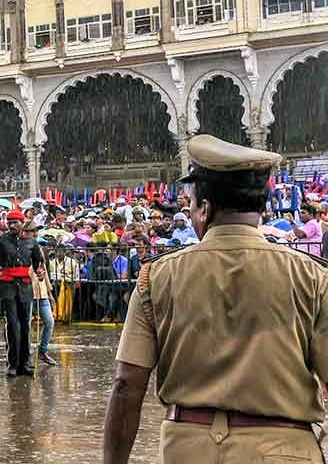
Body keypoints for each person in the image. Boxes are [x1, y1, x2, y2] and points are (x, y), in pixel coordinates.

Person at [104, 134, 328, 464]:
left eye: (191, 205)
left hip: (189, 451)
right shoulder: (312, 276)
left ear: (205, 209)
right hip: (285, 450)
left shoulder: (157, 277)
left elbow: (126, 385)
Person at [0, 208, 44, 376]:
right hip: (7, 286)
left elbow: (39, 263)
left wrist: (40, 272)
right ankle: (13, 363)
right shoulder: (1, 240)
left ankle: (26, 362)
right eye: (9, 222)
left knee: (25, 325)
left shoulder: (32, 242)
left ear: (22, 223)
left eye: (15, 222)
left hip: (25, 287)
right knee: (12, 326)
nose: (12, 225)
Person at [30, 254, 57, 365]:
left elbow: (45, 278)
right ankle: (26, 352)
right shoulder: (27, 262)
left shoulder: (42, 263)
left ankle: (43, 351)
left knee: (49, 322)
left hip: (43, 295)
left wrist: (50, 294)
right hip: (30, 296)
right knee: (26, 324)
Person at [48, 246, 79, 323]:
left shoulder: (72, 262)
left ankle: (63, 314)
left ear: (65, 253)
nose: (58, 254)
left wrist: (64, 278)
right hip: (55, 285)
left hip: (68, 285)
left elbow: (75, 277)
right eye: (57, 252)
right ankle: (56, 313)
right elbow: (51, 274)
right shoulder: (52, 262)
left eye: (60, 252)